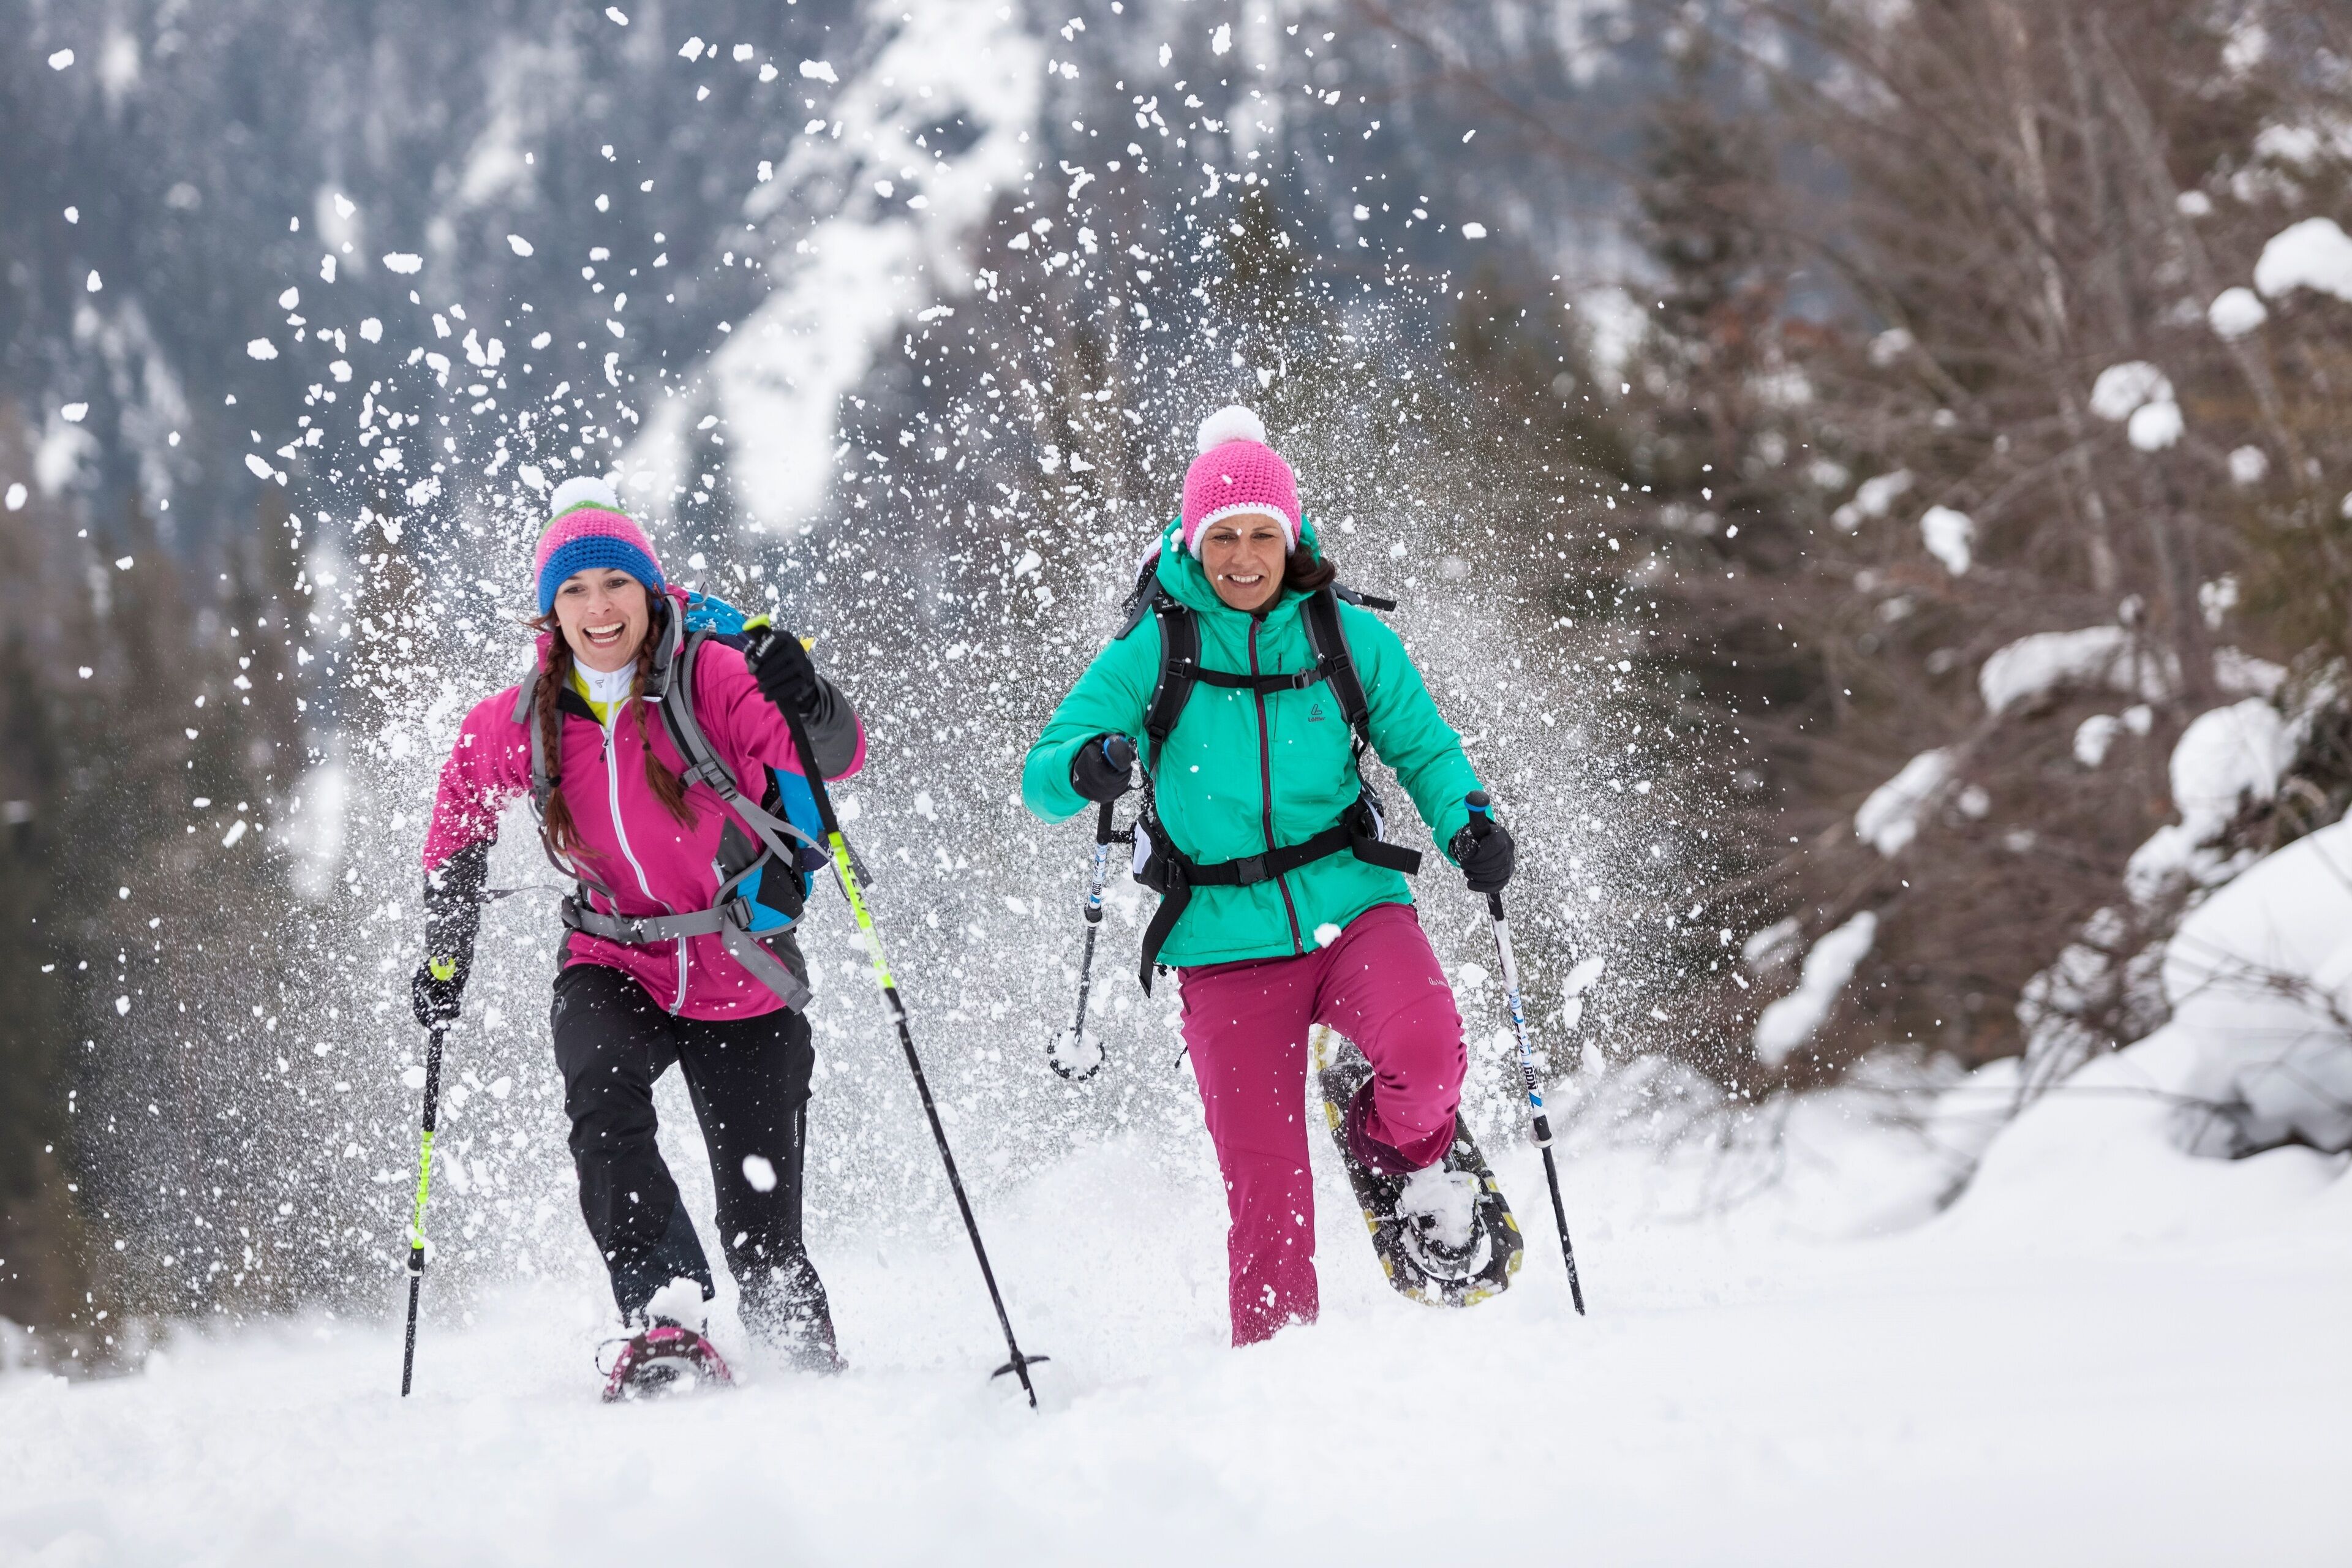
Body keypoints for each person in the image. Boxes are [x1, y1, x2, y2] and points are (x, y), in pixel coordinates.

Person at [1020, 407, 1517, 1346]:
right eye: (1223, 537)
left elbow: (1424, 748)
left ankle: (1389, 1142)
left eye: (1261, 535)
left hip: (1351, 901)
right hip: (1221, 938)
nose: (1243, 556)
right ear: (1192, 541)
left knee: (1426, 1054)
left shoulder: (1348, 638)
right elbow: (1043, 773)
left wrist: (1469, 823)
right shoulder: (1155, 647)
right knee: (1269, 1195)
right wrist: (1084, 767)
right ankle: (1278, 1377)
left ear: (1291, 542)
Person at [409, 477, 862, 1373]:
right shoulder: (526, 719)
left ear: (648, 592)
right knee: (602, 1101)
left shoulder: (717, 679)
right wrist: (445, 951)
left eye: (614, 582)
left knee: (761, 1230)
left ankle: (802, 1370)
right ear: (550, 612)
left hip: (739, 960)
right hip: (611, 959)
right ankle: (666, 1313)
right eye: (573, 591)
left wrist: (807, 696)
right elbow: (459, 805)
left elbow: (833, 758)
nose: (597, 607)